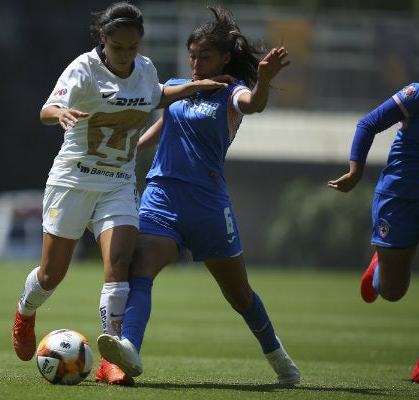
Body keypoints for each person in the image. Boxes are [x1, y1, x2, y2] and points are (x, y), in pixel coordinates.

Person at [11, 1, 226, 386]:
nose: (126, 55)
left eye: (133, 47)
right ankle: (25, 311)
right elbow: (47, 109)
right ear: (102, 40)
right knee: (51, 274)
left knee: (120, 262)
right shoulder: (83, 69)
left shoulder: (145, 69)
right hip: (73, 182)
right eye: (118, 47)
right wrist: (61, 113)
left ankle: (112, 359)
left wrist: (191, 88)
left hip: (118, 184)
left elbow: (155, 95)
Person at [96, 5, 300, 385]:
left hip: (207, 207)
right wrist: (127, 149)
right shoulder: (179, 86)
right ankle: (129, 349)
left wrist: (264, 80)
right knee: (140, 268)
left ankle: (278, 356)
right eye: (192, 55)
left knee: (240, 296)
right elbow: (163, 127)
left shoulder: (232, 92)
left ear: (224, 58)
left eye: (204, 56)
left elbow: (254, 104)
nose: (195, 63)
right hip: (161, 197)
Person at [327, 82, 419, 382]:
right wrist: (356, 171)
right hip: (399, 200)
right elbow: (368, 123)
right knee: (393, 292)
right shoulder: (416, 94)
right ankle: (379, 267)